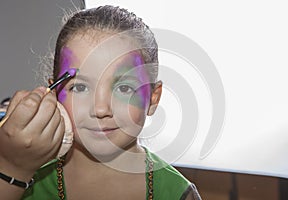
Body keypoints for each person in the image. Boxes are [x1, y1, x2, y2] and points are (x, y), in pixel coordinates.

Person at [0, 5, 201, 200]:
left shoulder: (176, 193)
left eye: (124, 88)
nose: (100, 109)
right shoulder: (24, 179)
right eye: (80, 87)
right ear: (53, 94)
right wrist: (12, 168)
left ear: (153, 98)